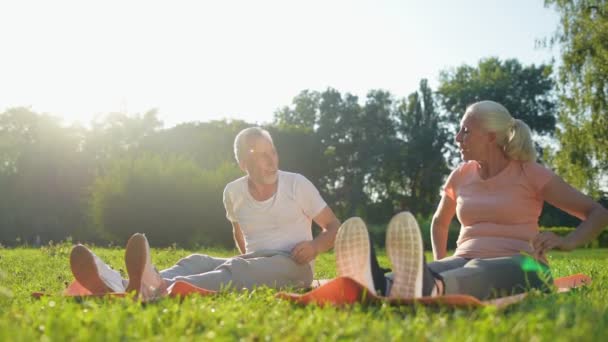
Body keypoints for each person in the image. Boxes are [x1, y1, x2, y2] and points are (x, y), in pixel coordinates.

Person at [335, 100, 608, 299]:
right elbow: (440, 222)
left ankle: (432, 286)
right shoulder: (461, 175)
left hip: (527, 265)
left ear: (491, 136)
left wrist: (568, 241)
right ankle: (383, 284)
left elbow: (597, 213)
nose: (457, 138)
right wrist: (441, 260)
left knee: (479, 268)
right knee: (446, 267)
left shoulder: (530, 173)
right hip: (463, 257)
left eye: (466, 131)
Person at [69, 127, 341, 299]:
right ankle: (121, 283)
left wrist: (316, 246)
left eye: (273, 152)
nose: (272, 161)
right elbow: (238, 232)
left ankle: (156, 287)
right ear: (243, 163)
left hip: (294, 266)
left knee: (238, 268)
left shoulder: (297, 184)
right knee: (197, 260)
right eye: (262, 155)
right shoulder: (232, 193)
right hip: (254, 262)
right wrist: (246, 261)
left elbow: (333, 226)